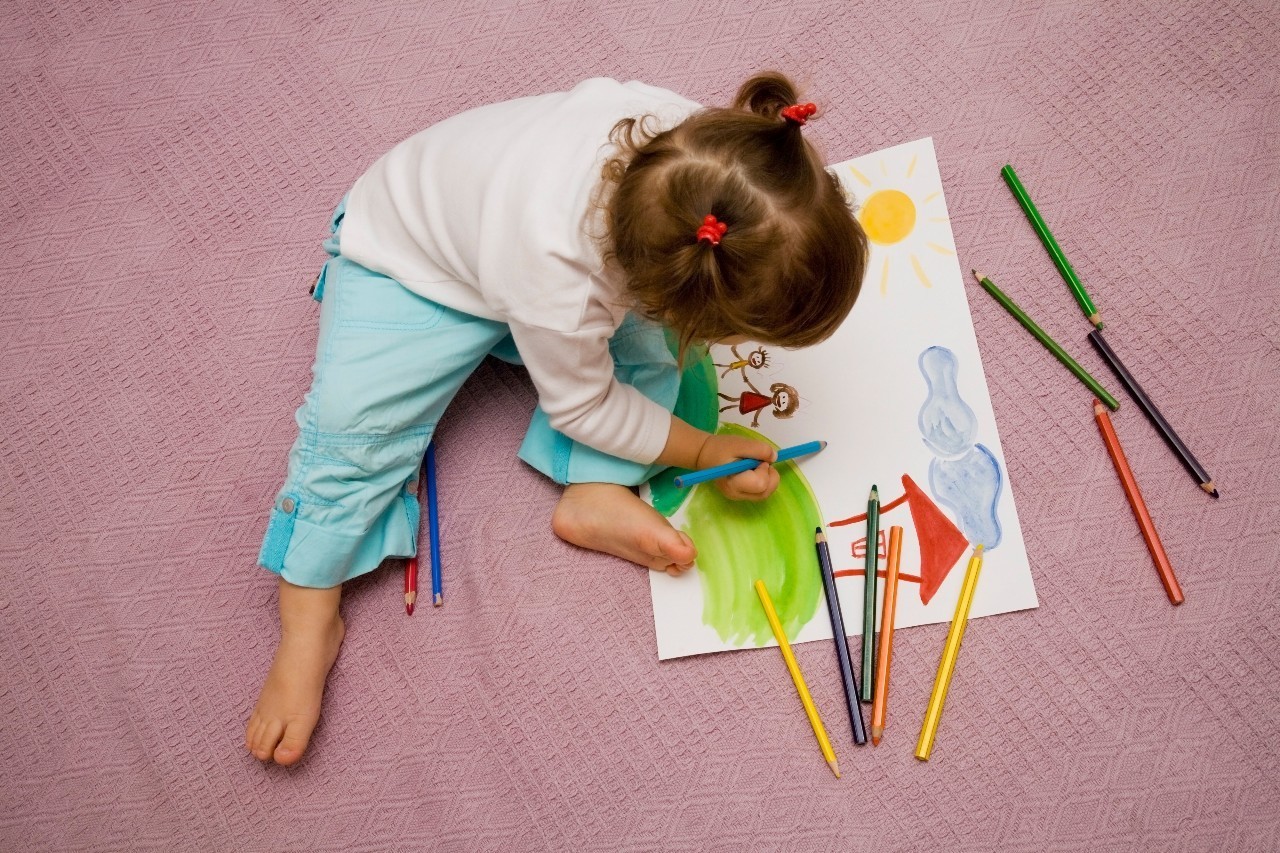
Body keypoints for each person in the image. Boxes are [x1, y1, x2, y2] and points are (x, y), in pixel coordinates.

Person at [245, 72, 868, 765]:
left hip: (535, 264)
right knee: (349, 435)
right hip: (407, 265)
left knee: (655, 352)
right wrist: (700, 448)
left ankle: (595, 493)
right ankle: (307, 613)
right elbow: (586, 404)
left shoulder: (701, 160)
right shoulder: (559, 285)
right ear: (685, 294)